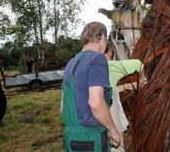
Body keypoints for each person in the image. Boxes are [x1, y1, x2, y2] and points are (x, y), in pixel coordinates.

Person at [61, 22, 120, 152]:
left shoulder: (71, 63)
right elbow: (96, 103)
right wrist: (113, 130)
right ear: (102, 38)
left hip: (70, 137)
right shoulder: (97, 59)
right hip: (91, 138)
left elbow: (62, 106)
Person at [105, 42, 147, 151]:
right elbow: (139, 64)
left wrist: (124, 86)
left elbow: (105, 91)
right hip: (110, 116)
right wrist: (143, 79)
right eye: (111, 55)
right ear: (107, 53)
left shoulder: (81, 67)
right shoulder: (111, 65)